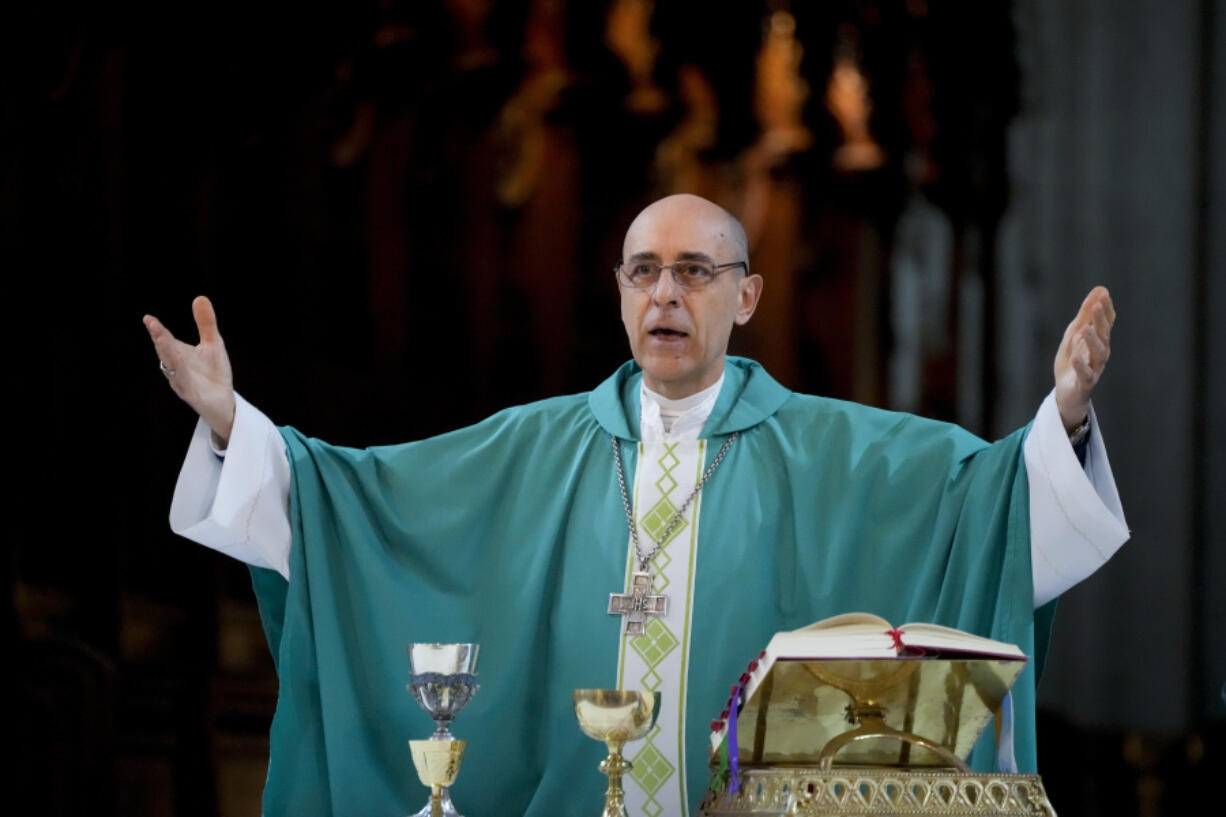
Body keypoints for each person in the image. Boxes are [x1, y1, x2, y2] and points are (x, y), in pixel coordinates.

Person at [144, 194, 1127, 817]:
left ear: (743, 298)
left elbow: (996, 503)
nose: (666, 292)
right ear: (618, 293)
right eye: (643, 271)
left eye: (694, 271)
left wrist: (1067, 413)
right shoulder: (526, 448)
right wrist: (233, 421)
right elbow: (347, 503)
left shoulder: (844, 452)